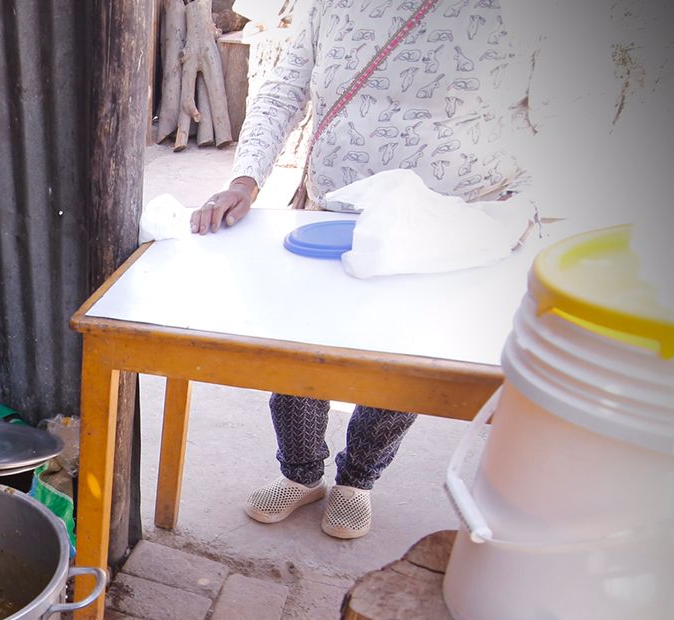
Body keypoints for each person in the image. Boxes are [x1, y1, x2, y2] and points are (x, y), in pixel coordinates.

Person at [190, 0, 531, 538]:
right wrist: (245, 180)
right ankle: (302, 475)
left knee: (398, 360)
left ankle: (357, 481)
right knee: (301, 348)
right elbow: (284, 90)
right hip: (334, 210)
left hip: (443, 229)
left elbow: (557, 113)